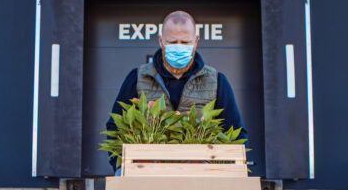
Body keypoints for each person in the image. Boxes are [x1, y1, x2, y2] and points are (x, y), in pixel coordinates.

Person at [105, 10, 247, 172]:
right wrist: (122, 166)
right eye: (172, 42)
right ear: (161, 41)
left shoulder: (216, 81)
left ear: (196, 41)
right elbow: (115, 127)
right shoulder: (138, 77)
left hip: (202, 177)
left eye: (185, 42)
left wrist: (228, 170)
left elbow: (236, 133)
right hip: (148, 175)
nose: (179, 47)